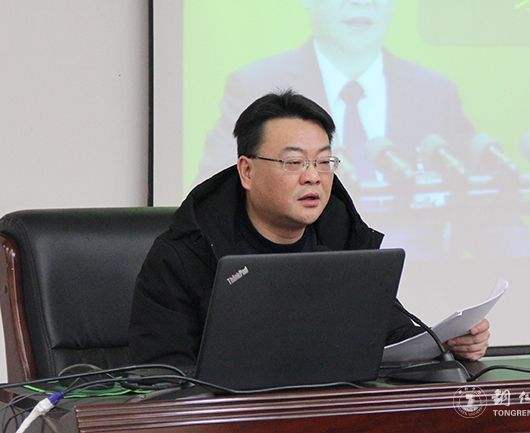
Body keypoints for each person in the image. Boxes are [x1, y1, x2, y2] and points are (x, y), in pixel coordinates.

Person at [129, 90, 490, 367]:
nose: (313, 176)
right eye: (294, 162)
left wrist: (444, 345)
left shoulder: (343, 240)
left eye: (323, 161)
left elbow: (390, 331)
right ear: (247, 172)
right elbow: (161, 375)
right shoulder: (186, 254)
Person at [192, 0, 530, 259]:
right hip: (302, 285)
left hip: (418, 293)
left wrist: (527, 275)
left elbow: (491, 217)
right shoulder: (254, 86)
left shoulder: (435, 93)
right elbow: (212, 209)